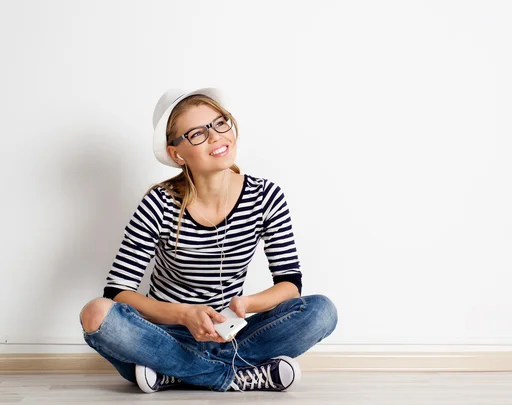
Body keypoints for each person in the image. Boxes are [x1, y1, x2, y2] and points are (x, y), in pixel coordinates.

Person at [78, 87, 338, 393]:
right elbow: (118, 292)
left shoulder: (266, 197)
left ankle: (174, 374)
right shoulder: (158, 204)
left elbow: (290, 285)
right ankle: (236, 375)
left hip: (233, 335)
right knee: (95, 313)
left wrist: (246, 304)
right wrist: (184, 314)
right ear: (176, 153)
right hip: (164, 337)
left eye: (220, 123)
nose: (216, 136)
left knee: (322, 311)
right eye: (197, 134)